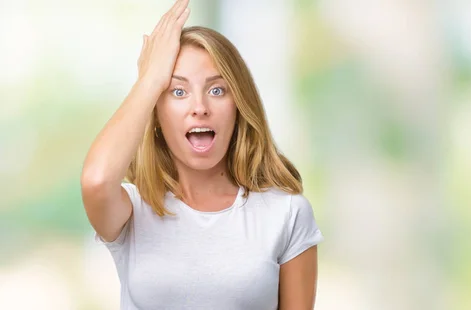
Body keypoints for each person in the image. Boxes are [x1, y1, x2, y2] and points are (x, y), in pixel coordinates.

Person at [80, 0, 324, 308]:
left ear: (239, 106)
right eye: (178, 92)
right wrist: (150, 79)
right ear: (156, 112)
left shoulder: (286, 214)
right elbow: (96, 180)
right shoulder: (132, 211)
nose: (200, 108)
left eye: (217, 90)